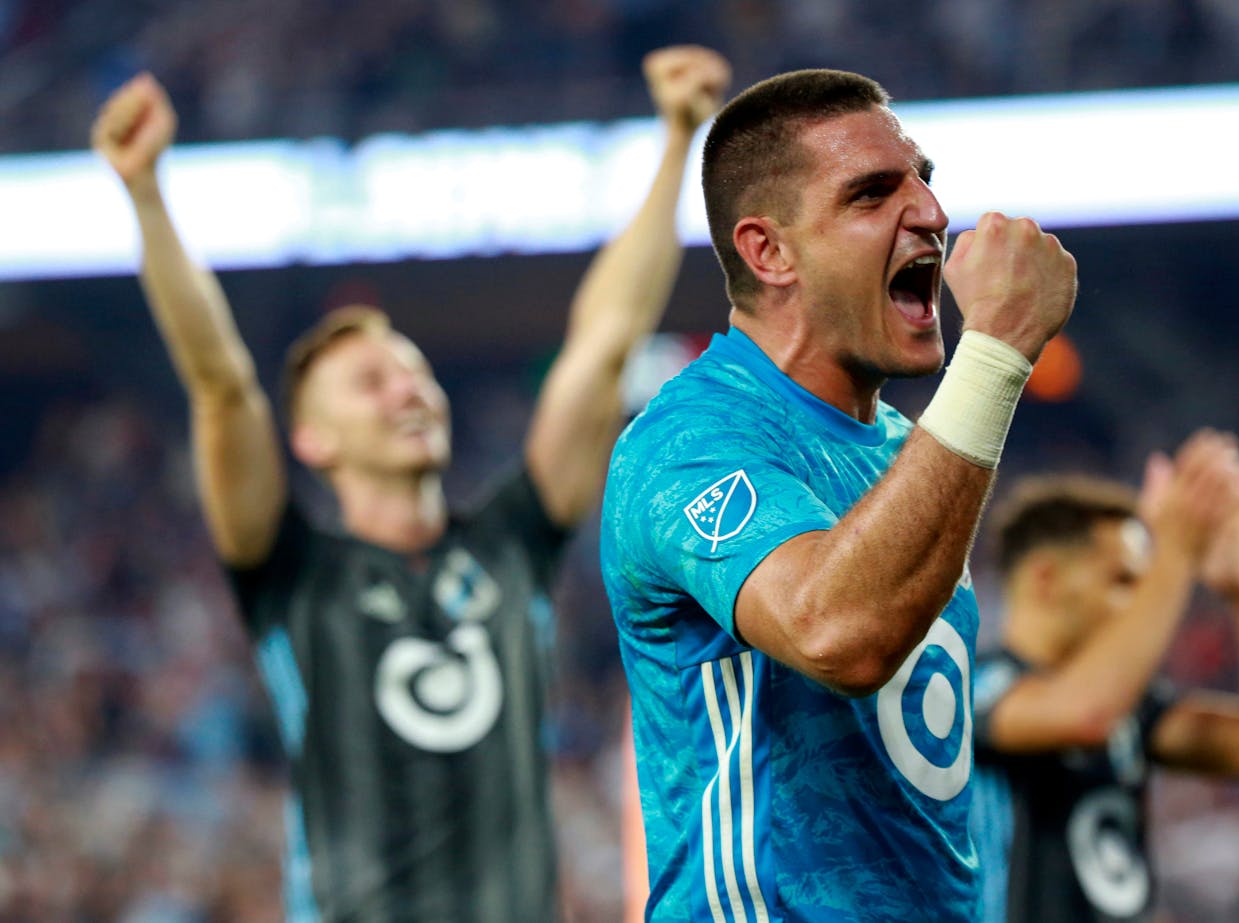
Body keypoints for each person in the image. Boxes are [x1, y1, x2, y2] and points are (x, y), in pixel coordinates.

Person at [90, 45, 731, 922]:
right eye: (370, 381)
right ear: (310, 439)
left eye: (414, 370)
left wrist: (677, 140)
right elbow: (220, 380)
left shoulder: (515, 538)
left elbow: (606, 339)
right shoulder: (293, 576)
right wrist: (147, 195)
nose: (408, 389)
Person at [600, 68, 1077, 921]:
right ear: (768, 251)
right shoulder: (687, 444)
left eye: (924, 179)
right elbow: (840, 633)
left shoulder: (905, 452)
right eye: (871, 194)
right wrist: (997, 349)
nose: (930, 212)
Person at [969, 436, 1239, 923]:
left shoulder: (1129, 708)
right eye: (1123, 581)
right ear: (1045, 579)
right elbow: (1085, 714)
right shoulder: (976, 686)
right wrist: (1174, 552)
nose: (1140, 603)